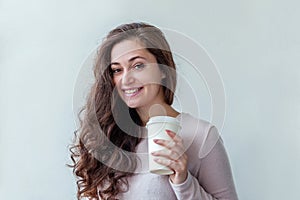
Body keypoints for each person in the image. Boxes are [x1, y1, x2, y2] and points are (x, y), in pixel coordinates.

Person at [69, 22, 238, 200]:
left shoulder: (201, 136)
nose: (126, 79)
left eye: (138, 65)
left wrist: (183, 180)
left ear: (163, 69)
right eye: (117, 70)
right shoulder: (111, 136)